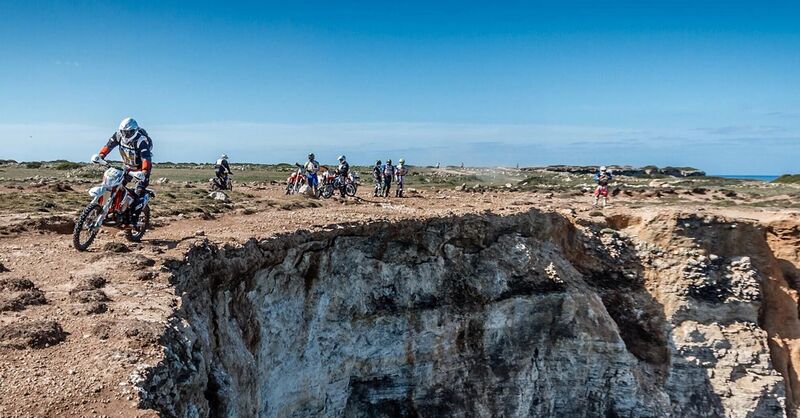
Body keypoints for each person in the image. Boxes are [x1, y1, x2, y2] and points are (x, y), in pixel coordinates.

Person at [91, 117, 152, 228]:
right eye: (124, 132)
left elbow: (146, 159)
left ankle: (133, 219)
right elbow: (108, 146)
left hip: (140, 169)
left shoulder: (141, 141)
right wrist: (101, 156)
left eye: (129, 132)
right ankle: (114, 210)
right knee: (114, 186)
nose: (126, 135)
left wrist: (143, 172)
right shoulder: (118, 136)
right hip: (127, 167)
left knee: (139, 193)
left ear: (135, 131)